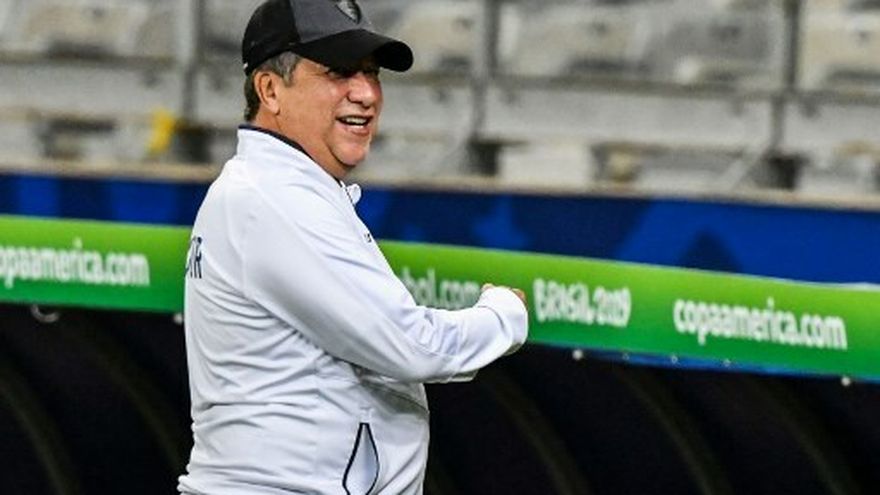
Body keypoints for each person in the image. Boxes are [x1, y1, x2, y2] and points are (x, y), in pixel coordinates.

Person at [178, 1, 529, 493]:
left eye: (371, 73)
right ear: (270, 90)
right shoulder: (275, 199)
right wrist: (503, 315)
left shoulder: (272, 189)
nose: (365, 93)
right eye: (338, 72)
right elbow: (413, 346)